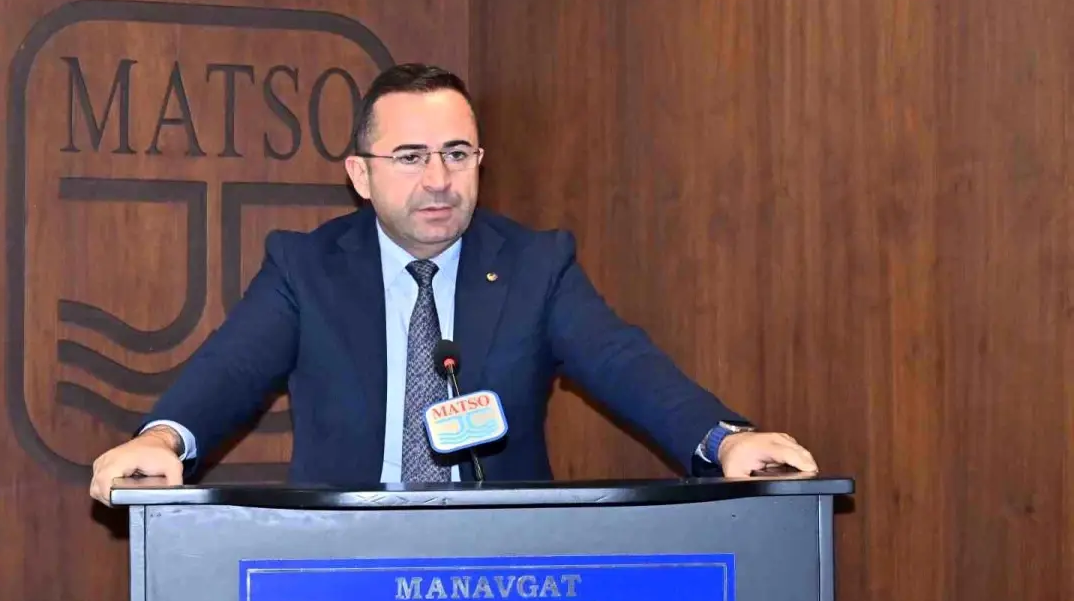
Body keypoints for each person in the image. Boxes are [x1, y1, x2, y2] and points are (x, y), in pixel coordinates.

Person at [89, 63, 817, 504]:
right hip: (345, 560)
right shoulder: (305, 268)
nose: (438, 179)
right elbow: (232, 366)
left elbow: (622, 361)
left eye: (457, 153)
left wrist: (724, 440)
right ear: (361, 175)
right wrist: (164, 439)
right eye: (410, 156)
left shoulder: (535, 265)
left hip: (500, 570)